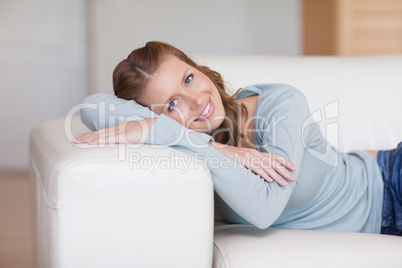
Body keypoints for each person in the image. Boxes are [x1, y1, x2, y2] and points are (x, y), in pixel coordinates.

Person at [73, 41, 401, 236]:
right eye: (172, 104)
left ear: (198, 68)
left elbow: (265, 206)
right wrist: (188, 138)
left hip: (389, 182)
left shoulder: (282, 105)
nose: (197, 101)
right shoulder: (183, 141)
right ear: (154, 114)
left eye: (188, 78)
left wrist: (166, 129)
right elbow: (89, 108)